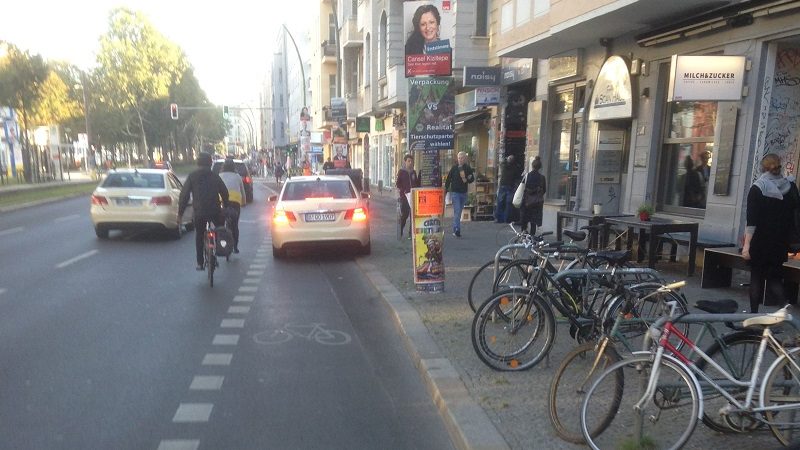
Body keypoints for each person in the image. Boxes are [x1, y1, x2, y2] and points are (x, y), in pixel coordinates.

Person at [742, 153, 800, 313]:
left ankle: (754, 314)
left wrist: (747, 245)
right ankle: (784, 307)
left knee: (756, 278)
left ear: (763, 168)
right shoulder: (790, 187)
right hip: (779, 242)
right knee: (774, 278)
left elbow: (751, 221)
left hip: (760, 241)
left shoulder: (758, 188)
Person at [179, 153, 230, 271]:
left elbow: (184, 195)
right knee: (220, 229)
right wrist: (225, 207)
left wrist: (180, 214)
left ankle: (200, 263)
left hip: (199, 212)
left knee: (199, 235)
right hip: (215, 211)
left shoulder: (192, 176)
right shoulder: (215, 176)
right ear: (210, 163)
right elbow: (225, 193)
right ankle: (220, 248)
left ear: (198, 163)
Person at [444, 151, 475, 238]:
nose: (460, 159)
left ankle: (455, 228)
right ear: (457, 159)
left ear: (465, 159)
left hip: (463, 193)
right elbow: (448, 179)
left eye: (462, 158)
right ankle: (457, 229)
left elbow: (471, 179)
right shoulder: (454, 168)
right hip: (455, 193)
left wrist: (469, 178)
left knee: (459, 211)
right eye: (459, 158)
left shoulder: (468, 168)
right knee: (457, 211)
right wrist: (446, 190)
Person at [219, 158, 245, 254]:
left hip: (222, 202)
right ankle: (235, 247)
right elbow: (242, 191)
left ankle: (221, 244)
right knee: (234, 225)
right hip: (235, 203)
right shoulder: (237, 176)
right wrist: (244, 202)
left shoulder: (220, 175)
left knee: (221, 224)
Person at [519, 157, 546, 236]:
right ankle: (532, 237)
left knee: (525, 219)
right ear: (540, 167)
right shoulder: (542, 178)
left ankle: (524, 235)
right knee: (533, 222)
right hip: (536, 203)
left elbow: (521, 188)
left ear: (532, 165)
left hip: (526, 202)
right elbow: (544, 190)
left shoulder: (527, 176)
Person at [396, 154, 420, 239]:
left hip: (413, 196)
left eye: (411, 161)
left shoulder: (413, 172)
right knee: (405, 215)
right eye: (408, 161)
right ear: (405, 162)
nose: (410, 163)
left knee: (413, 215)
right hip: (405, 196)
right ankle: (401, 230)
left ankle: (411, 233)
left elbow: (416, 182)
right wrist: (403, 191)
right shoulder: (401, 172)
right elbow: (398, 184)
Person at [494, 155, 519, 223]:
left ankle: (499, 219)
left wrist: (506, 158)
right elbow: (517, 177)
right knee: (508, 203)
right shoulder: (515, 168)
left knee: (500, 202)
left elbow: (502, 162)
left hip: (503, 185)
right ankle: (507, 219)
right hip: (510, 186)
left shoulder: (504, 166)